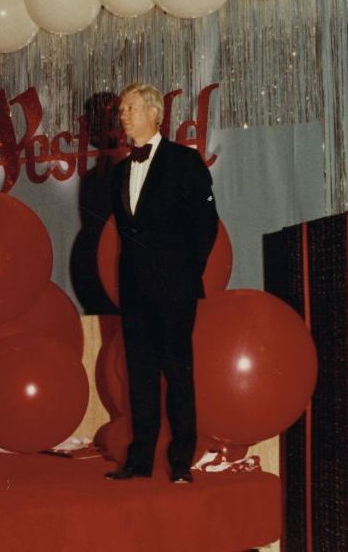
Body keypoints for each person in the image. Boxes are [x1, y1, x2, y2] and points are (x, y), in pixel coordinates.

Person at [104, 82, 218, 484]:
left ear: (156, 114)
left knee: (178, 375)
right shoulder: (118, 171)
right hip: (134, 290)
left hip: (175, 289)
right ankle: (138, 462)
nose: (123, 115)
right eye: (121, 110)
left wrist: (185, 274)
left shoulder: (184, 162)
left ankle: (181, 463)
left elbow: (206, 226)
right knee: (140, 376)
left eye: (131, 108)